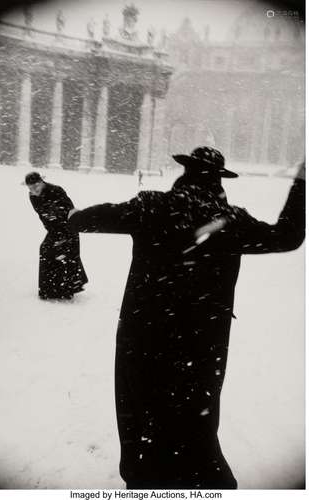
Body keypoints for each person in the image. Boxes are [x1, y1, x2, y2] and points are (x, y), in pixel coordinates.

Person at [68, 147, 305, 489]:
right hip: (202, 344)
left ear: (185, 173)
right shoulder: (231, 221)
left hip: (143, 336)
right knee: (195, 421)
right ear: (218, 181)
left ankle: (144, 479)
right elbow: (288, 236)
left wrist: (74, 214)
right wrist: (301, 183)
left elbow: (86, 220)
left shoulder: (151, 206)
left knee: (140, 412)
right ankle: (201, 480)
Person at [24, 171, 88, 300]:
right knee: (46, 250)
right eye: (30, 188)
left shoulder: (56, 190)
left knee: (65, 254)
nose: (33, 190)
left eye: (35, 186)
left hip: (69, 227)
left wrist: (63, 233)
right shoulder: (32, 196)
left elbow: (70, 210)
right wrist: (52, 229)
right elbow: (42, 215)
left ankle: (66, 289)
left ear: (42, 182)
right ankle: (48, 290)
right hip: (53, 229)